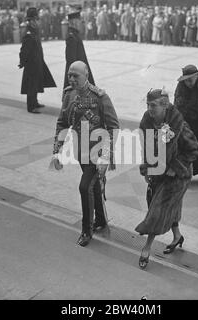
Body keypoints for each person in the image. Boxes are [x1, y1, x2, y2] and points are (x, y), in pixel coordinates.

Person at [51, 61, 120, 247]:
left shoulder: (100, 97)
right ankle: (101, 221)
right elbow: (62, 123)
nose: (72, 79)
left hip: (97, 152)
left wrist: (106, 156)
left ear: (86, 75)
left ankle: (86, 230)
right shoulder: (68, 95)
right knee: (93, 186)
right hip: (80, 151)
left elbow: (114, 127)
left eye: (76, 76)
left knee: (84, 187)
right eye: (69, 75)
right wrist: (57, 150)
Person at [135, 89, 198, 269]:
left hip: (178, 175)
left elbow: (194, 150)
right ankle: (177, 236)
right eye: (148, 105)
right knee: (164, 206)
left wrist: (174, 167)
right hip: (158, 172)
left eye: (153, 105)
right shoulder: (147, 123)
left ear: (165, 106)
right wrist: (147, 168)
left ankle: (146, 248)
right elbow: (146, 149)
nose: (149, 109)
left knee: (158, 208)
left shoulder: (179, 126)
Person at [174, 65, 198, 176]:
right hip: (186, 123)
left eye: (190, 80)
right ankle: (186, 172)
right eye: (185, 81)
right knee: (186, 149)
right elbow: (177, 105)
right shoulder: (181, 87)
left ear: (197, 76)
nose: (188, 83)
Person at [19, 8, 57, 114]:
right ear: (30, 21)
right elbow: (24, 49)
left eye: (37, 20)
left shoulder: (35, 31)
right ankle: (31, 107)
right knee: (31, 84)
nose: (37, 22)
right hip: (31, 64)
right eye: (35, 20)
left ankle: (35, 102)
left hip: (38, 61)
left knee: (36, 83)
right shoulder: (29, 33)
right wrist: (22, 61)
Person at [64, 9, 95, 90]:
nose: (80, 22)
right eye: (78, 20)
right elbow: (71, 60)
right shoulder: (71, 36)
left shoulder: (75, 34)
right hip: (76, 74)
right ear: (73, 21)